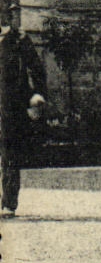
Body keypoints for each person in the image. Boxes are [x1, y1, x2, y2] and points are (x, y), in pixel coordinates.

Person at [1, 21, 50, 217]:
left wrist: (37, 93)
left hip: (11, 105)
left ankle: (9, 203)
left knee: (10, 155)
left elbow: (37, 68)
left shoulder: (19, 39)